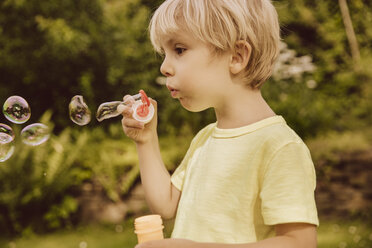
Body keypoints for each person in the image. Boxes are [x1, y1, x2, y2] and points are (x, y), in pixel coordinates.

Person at [119, 0, 319, 247]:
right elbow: (166, 204)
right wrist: (146, 139)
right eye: (165, 53)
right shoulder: (205, 139)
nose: (164, 67)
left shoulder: (279, 146)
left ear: (236, 57)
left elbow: (300, 242)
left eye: (179, 50)